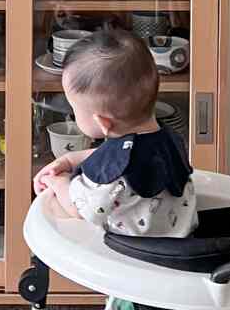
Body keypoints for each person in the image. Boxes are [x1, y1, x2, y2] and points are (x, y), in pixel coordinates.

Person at [33, 30, 197, 310]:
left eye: (74, 109)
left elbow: (81, 208)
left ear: (102, 123)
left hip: (137, 277)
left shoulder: (112, 180)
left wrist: (59, 183)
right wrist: (72, 160)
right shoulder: (168, 138)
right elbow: (121, 155)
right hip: (182, 268)